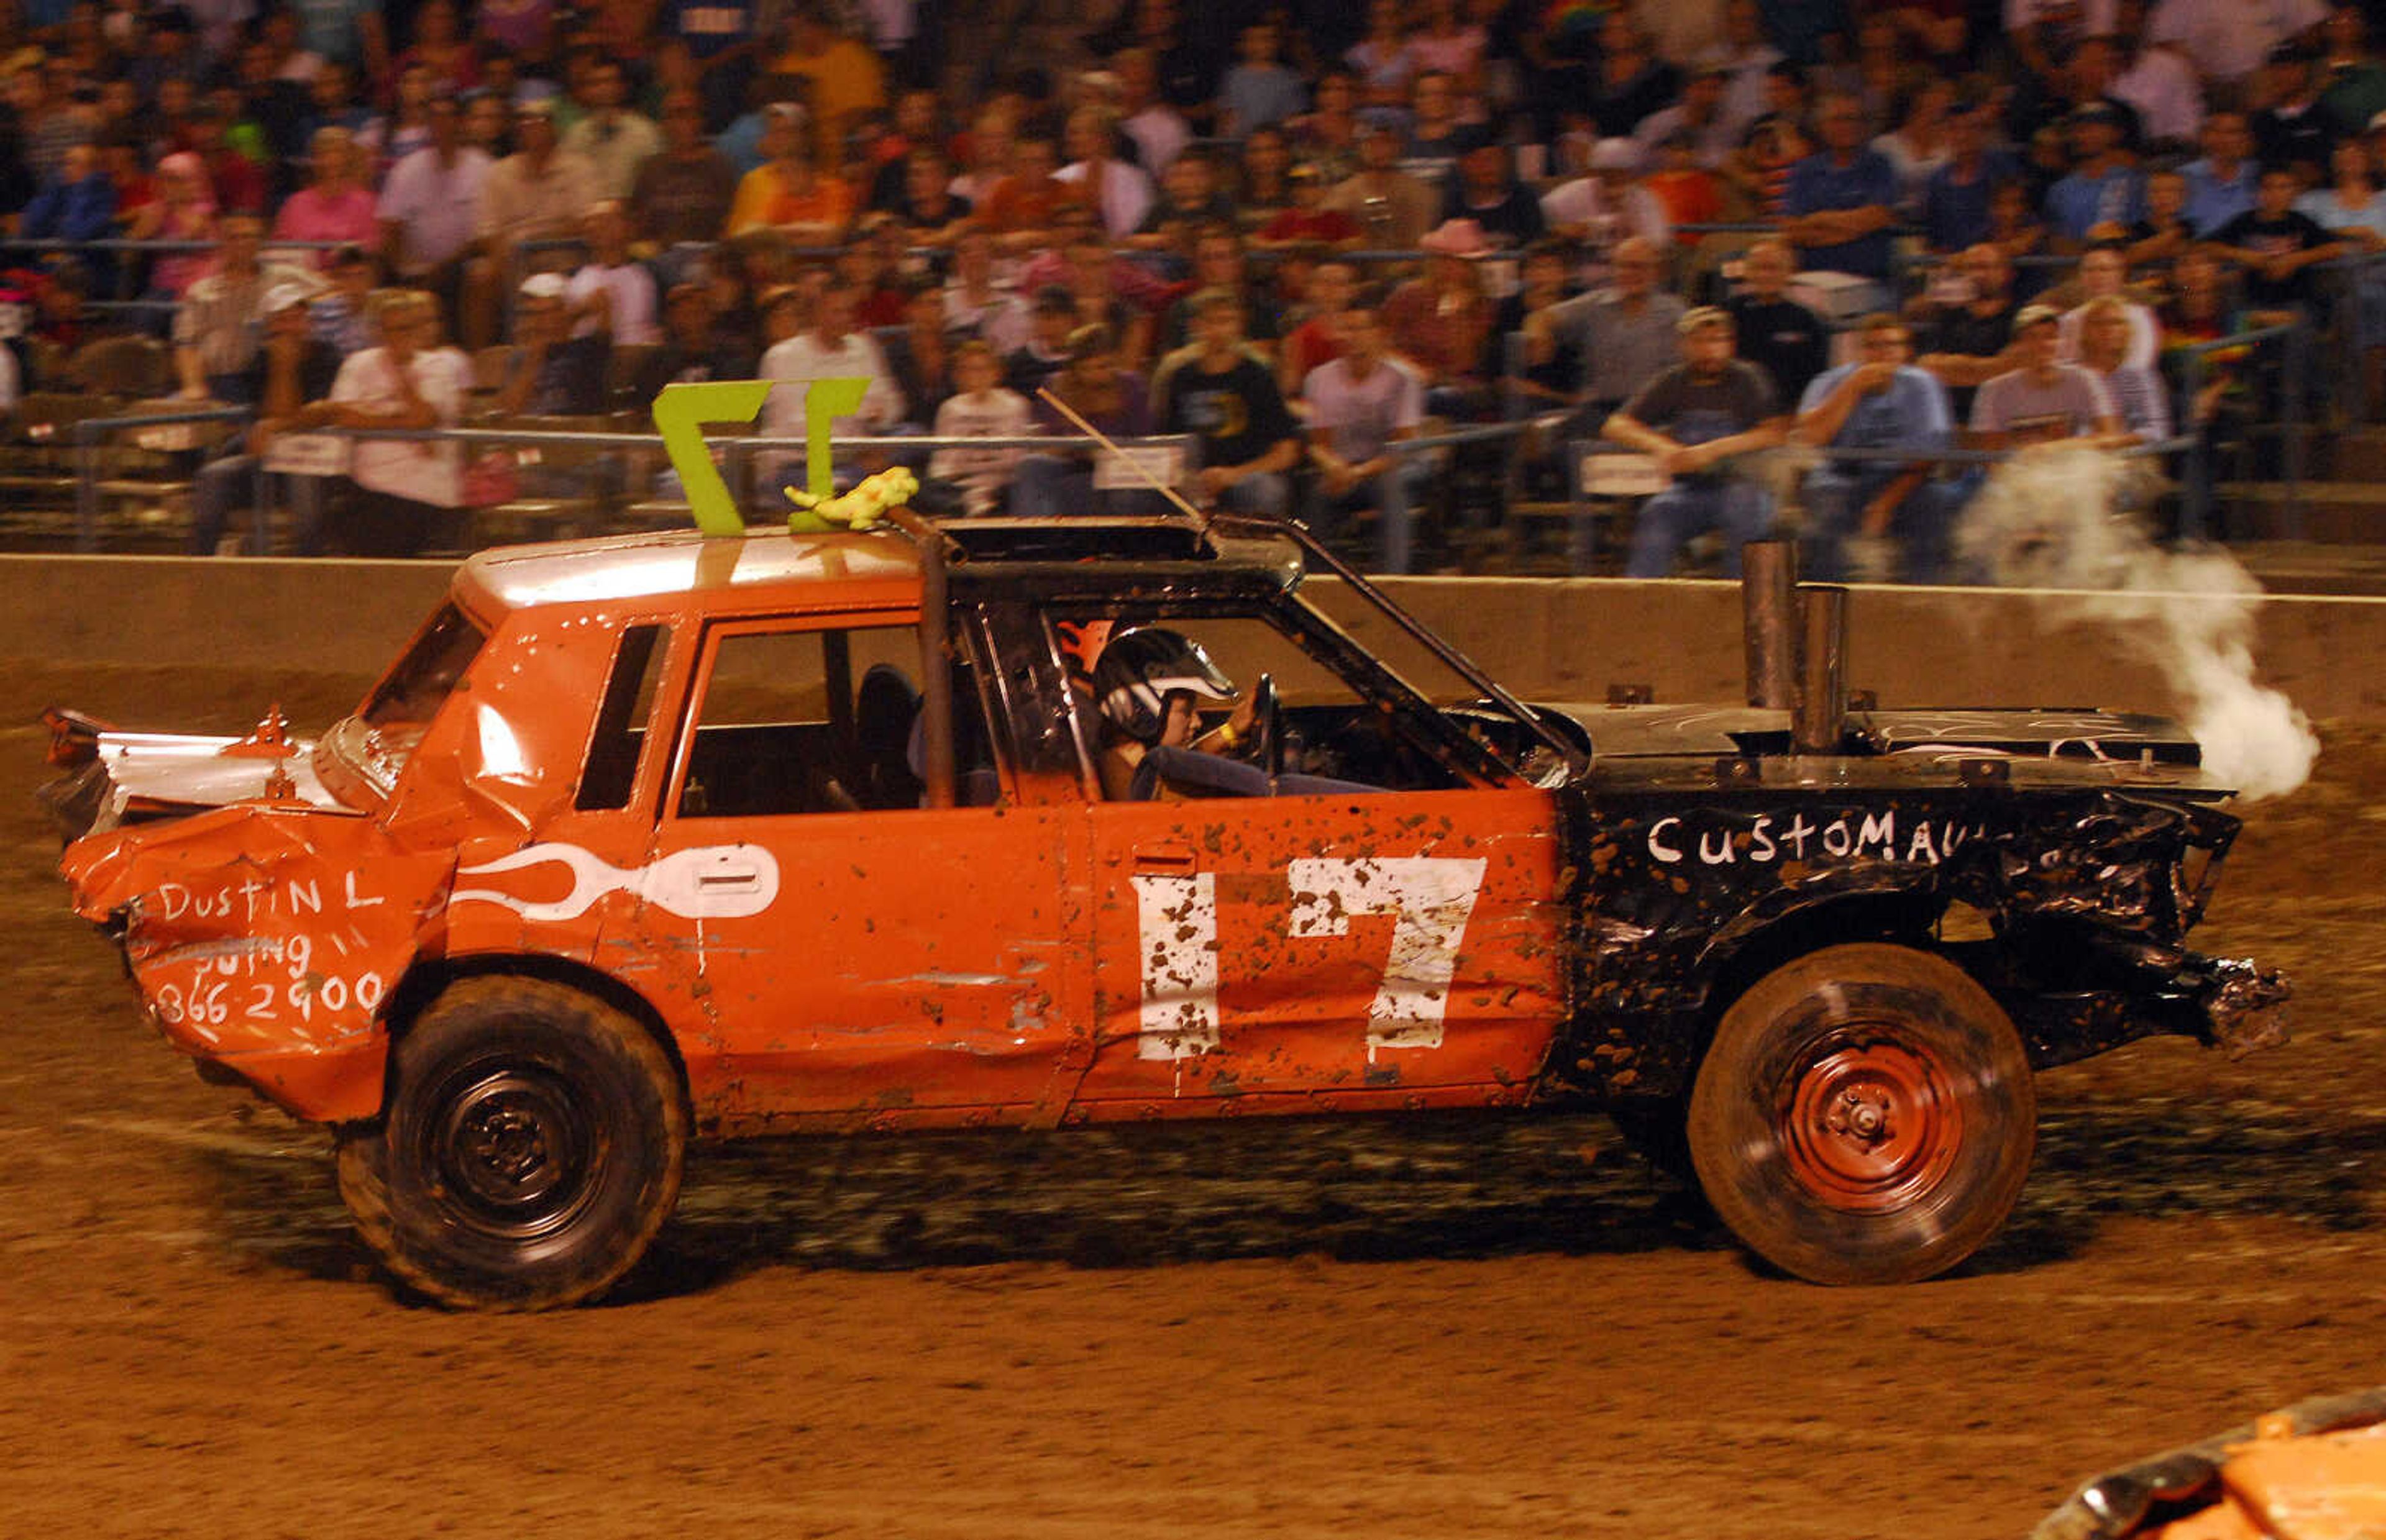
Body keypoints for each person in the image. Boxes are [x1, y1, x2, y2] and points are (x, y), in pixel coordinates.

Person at [1600, 306, 1788, 578]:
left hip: (1743, 484)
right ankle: (1641, 604)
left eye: (1717, 341)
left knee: (1744, 510)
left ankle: (1745, 605)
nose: (1709, 350)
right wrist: (1664, 447)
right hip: (1689, 490)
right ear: (1683, 346)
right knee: (1658, 513)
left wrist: (1712, 450)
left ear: (1730, 345)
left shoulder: (1749, 379)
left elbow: (1774, 433)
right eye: (1699, 342)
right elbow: (1615, 425)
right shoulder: (1672, 381)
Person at [1794, 312, 1960, 583]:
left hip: (1902, 478)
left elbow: (1928, 458)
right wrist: (1851, 388)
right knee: (1826, 509)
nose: (1882, 354)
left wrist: (1884, 505)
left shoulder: (1923, 384)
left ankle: (1923, 602)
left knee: (1935, 503)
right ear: (1860, 350)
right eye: (1873, 346)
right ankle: (1825, 600)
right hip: (1842, 475)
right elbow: (1811, 438)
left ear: (1905, 352)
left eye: (1891, 346)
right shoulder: (1829, 381)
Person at [186, 280, 344, 555]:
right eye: (282, 320)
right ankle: (200, 567)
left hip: (315, 458)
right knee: (213, 476)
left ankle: (310, 574)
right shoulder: (260, 361)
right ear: (270, 326)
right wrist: (282, 367)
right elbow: (269, 415)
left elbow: (318, 414)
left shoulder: (328, 357)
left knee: (303, 485)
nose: (290, 327)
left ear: (308, 322)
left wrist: (286, 373)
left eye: (297, 318)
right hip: (267, 458)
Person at [307, 289, 469, 557]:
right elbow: (342, 417)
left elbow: (422, 418)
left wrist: (401, 374)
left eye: (407, 329)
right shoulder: (358, 363)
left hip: (420, 490)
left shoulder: (438, 367)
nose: (400, 336)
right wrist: (397, 421)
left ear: (419, 329)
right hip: (363, 486)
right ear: (379, 332)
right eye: (392, 330)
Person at [1303, 303, 1432, 573]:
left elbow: (1402, 447)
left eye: (1360, 328)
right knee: (1316, 491)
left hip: (1398, 466)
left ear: (1380, 333)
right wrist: (1332, 466)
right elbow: (1319, 442)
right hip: (1345, 467)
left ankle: (1394, 576)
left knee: (1390, 485)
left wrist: (1358, 472)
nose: (1352, 336)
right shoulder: (1320, 378)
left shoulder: (1402, 379)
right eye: (1347, 329)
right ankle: (1314, 579)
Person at [1158, 287, 1301, 516]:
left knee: (1265, 489)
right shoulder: (1180, 378)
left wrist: (1233, 475)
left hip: (1246, 475)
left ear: (1239, 326)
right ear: (1196, 326)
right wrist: (1188, 478)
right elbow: (1168, 445)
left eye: (1227, 321)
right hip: (1194, 479)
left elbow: (1286, 451)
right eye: (1211, 322)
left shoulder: (1258, 376)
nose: (1219, 330)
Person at [757, 275, 905, 492]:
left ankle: (853, 478)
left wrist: (877, 421)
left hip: (864, 450)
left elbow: (893, 404)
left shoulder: (865, 347)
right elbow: (796, 426)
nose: (845, 318)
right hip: (801, 461)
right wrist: (860, 434)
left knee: (912, 435)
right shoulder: (782, 357)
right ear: (815, 314)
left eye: (849, 311)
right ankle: (852, 478)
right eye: (836, 312)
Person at [1527, 235, 1686, 433]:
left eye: (1638, 267)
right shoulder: (1593, 305)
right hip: (1601, 410)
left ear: (1657, 271)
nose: (1629, 273)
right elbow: (1541, 317)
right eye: (1623, 266)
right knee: (1545, 435)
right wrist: (1539, 335)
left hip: (1654, 411)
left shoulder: (1675, 311)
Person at [1090, 627, 1258, 801]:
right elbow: (1176, 787)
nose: (1197, 722)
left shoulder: (1128, 767)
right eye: (1185, 711)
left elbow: (1177, 771)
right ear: (1141, 712)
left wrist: (1230, 732)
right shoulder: (1124, 782)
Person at [171, 211, 316, 403]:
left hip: (259, 381)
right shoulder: (200, 291)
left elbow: (331, 292)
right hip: (210, 381)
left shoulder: (285, 277)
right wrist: (193, 386)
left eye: (248, 236)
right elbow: (186, 345)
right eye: (233, 237)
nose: (241, 243)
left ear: (261, 241)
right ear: (222, 242)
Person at [379, 95, 492, 320]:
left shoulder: (484, 167)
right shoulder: (406, 169)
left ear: (461, 122)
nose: (442, 125)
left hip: (463, 264)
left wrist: (444, 267)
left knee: (480, 273)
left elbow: (486, 235)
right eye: (436, 118)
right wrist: (405, 269)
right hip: (414, 268)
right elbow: (390, 228)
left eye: (448, 117)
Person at [1782, 90, 1901, 302]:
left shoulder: (1880, 165)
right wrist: (1852, 226)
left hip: (1869, 282)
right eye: (1838, 120)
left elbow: (1877, 217)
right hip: (1812, 282)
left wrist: (1819, 220)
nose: (1847, 126)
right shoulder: (1805, 170)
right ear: (1822, 126)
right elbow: (1792, 231)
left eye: (1853, 119)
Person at [1968, 302, 2129, 450]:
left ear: (2062, 342)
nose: (2043, 344)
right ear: (2017, 345)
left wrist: (2053, 449)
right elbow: (1991, 455)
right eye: (2032, 337)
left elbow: (2109, 436)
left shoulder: (2085, 380)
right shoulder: (1994, 390)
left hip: (2072, 471)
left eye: (2051, 337)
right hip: (2018, 474)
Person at [2212, 165, 2346, 317]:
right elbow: (2208, 246)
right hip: (2253, 302)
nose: (2276, 194)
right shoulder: (2245, 222)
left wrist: (2296, 259)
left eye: (2284, 188)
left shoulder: (2302, 222)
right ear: (2258, 192)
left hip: (2297, 302)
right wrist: (2243, 255)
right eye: (2269, 188)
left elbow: (2335, 248)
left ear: (2294, 192)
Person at [928, 340, 1035, 516]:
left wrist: (987, 483)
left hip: (1003, 483)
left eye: (983, 369)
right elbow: (943, 462)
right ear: (959, 375)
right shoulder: (950, 408)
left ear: (996, 373)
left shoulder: (1015, 405)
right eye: (969, 370)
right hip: (960, 485)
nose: (977, 376)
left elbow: (1016, 458)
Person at [1725, 235, 1830, 407]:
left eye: (1773, 268)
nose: (1765, 275)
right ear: (1747, 271)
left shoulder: (1808, 321)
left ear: (1790, 271)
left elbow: (1817, 384)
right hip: (1734, 412)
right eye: (1758, 268)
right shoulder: (1728, 314)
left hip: (1788, 414)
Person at [495, 273, 610, 417]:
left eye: (550, 312)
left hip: (572, 434)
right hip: (530, 434)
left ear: (565, 312)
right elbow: (509, 412)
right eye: (534, 314)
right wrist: (536, 355)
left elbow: (602, 301)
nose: (542, 321)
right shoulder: (520, 359)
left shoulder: (586, 352)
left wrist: (570, 319)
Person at [559, 57, 662, 201]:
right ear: (587, 90)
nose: (604, 88)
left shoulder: (645, 132)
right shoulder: (576, 135)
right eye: (596, 83)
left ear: (622, 87)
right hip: (587, 215)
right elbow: (566, 184)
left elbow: (655, 183)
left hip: (631, 214)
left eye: (610, 81)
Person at [564, 200, 660, 345]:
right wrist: (582, 309)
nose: (596, 226)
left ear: (629, 228)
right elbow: (557, 328)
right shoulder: (572, 276)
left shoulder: (651, 275)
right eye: (591, 221)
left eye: (607, 220)